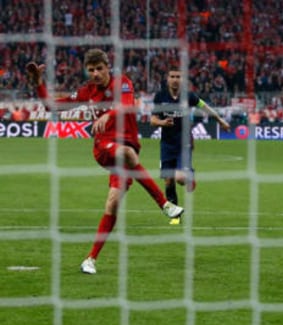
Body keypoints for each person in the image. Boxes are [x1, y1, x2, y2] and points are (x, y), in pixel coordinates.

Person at [25, 49, 184, 275]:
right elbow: (53, 107)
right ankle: (165, 205)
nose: (96, 74)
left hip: (125, 147)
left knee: (112, 204)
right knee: (129, 155)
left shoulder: (123, 83)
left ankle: (90, 259)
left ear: (107, 67)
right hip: (104, 148)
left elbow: (126, 104)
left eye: (99, 68)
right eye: (91, 70)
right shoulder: (87, 91)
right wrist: (38, 84)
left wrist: (108, 114)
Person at [150, 66, 230, 224]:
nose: (174, 79)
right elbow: (153, 120)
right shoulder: (160, 96)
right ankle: (175, 216)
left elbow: (204, 107)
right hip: (166, 144)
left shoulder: (189, 96)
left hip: (184, 142)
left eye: (178, 76)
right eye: (172, 76)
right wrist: (162, 122)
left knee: (179, 178)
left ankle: (189, 175)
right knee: (168, 181)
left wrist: (220, 120)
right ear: (167, 79)